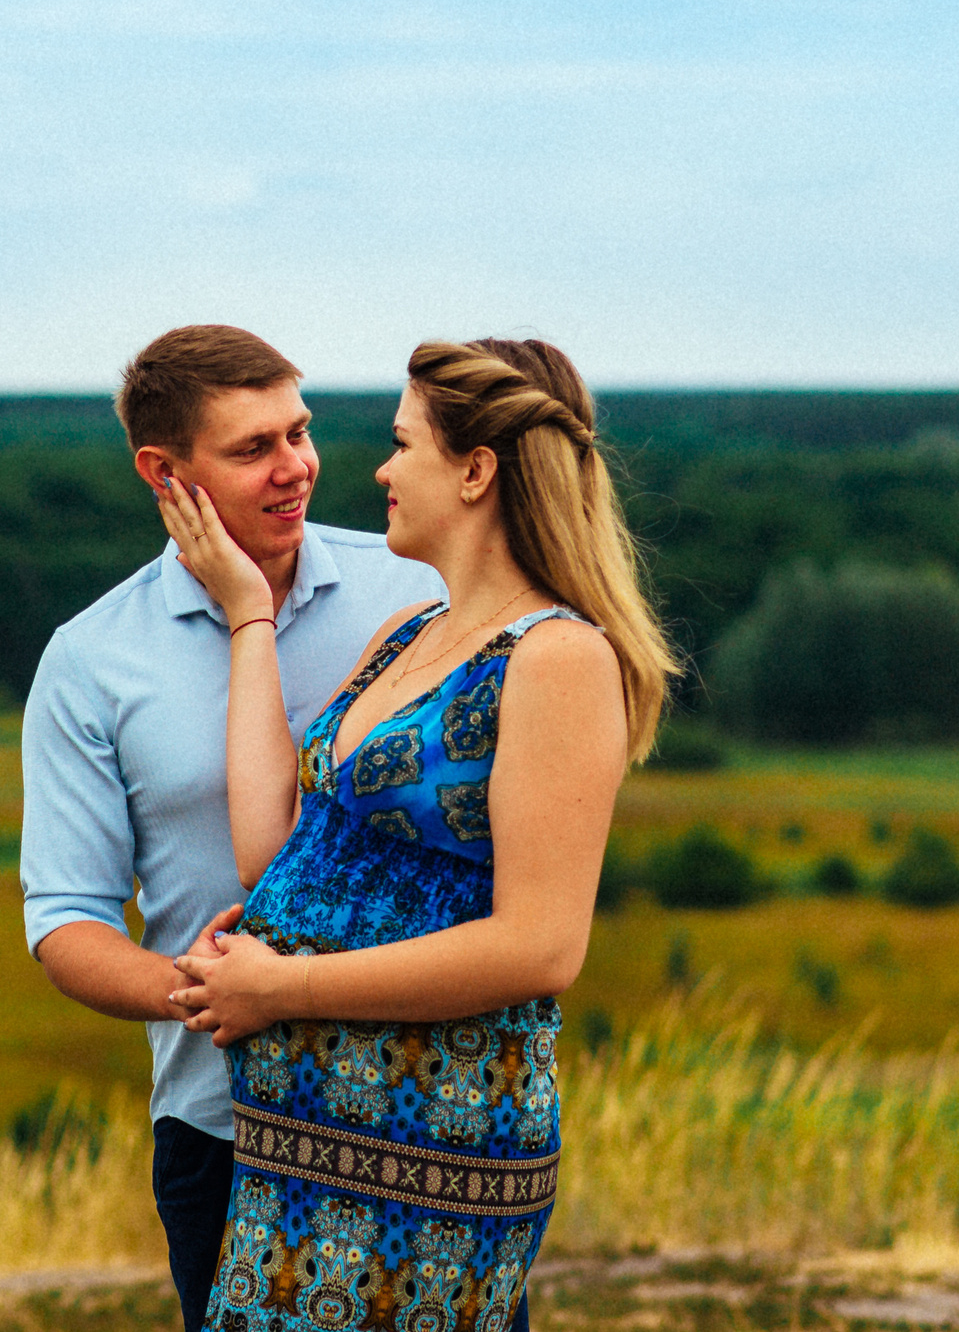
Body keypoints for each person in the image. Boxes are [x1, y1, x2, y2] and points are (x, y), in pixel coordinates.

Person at [158, 336, 678, 1332]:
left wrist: (281, 986)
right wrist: (246, 615)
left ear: (476, 469)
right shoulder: (406, 636)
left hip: (427, 1144)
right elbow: (277, 854)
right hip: (303, 1135)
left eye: (403, 444)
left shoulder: (558, 657)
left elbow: (541, 944)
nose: (381, 470)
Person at [22, 325, 448, 1332]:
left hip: (424, 1101)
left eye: (299, 431)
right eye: (253, 448)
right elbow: (68, 920)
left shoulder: (417, 589)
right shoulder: (91, 658)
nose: (296, 466)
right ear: (162, 472)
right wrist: (198, 988)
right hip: (222, 1125)